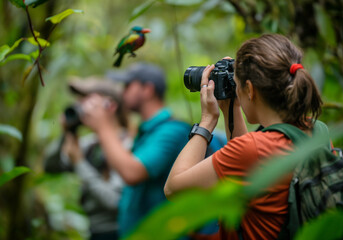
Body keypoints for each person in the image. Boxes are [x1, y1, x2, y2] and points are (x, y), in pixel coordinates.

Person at [164, 34, 323, 240]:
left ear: (250, 89)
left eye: (238, 85)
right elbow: (248, 165)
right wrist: (231, 108)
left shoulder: (253, 149)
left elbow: (173, 189)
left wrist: (207, 121)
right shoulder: (315, 131)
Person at [79, 63, 191, 237]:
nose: (122, 92)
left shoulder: (172, 131)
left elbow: (132, 172)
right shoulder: (146, 131)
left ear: (147, 89)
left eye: (128, 86)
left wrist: (103, 127)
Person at [44, 77, 131, 240]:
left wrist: (79, 163)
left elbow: (115, 202)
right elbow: (50, 167)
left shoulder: (129, 145)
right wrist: (66, 133)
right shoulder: (90, 144)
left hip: (120, 232)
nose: (81, 108)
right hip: (94, 231)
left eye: (87, 101)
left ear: (110, 105)